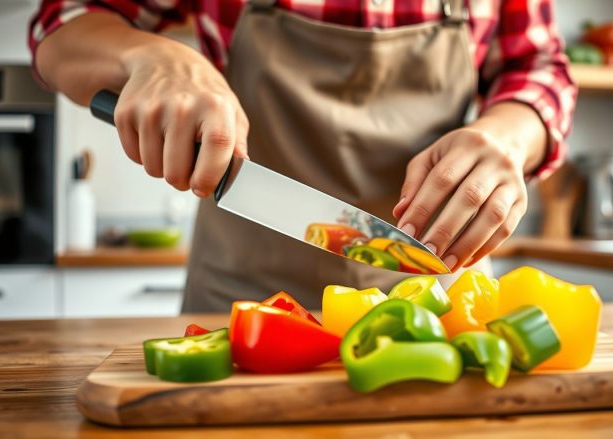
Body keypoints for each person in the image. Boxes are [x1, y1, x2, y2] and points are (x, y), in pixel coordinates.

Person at [29, 0, 577, 311]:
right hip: (239, 303)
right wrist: (149, 55)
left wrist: (510, 133)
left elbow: (540, 65)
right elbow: (62, 25)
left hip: (428, 306)